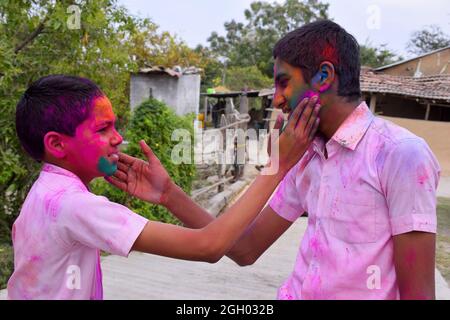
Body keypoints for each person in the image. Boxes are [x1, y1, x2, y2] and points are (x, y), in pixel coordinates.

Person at [110, 20, 441, 300]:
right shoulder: (302, 156)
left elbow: (419, 294)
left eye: (284, 83)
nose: (278, 98)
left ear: (324, 77)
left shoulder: (400, 154)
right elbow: (245, 249)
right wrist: (170, 195)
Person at [7, 74, 320, 299]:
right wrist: (276, 167)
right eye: (103, 128)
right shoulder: (74, 205)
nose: (117, 138)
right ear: (57, 144)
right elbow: (209, 247)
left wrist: (168, 194)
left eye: (115, 125)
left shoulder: (44, 192)